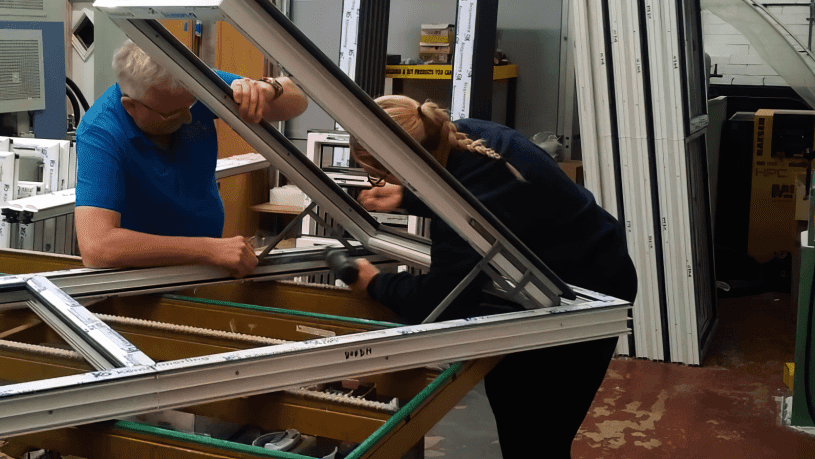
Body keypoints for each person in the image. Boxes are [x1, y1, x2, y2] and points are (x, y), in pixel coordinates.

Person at [347, 95, 638, 459]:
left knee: (536, 438)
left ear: (404, 162)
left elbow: (442, 300)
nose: (378, 181)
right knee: (515, 408)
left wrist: (375, 282)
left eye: (379, 173)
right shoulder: (466, 135)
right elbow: (499, 197)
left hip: (583, 296)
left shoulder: (462, 201)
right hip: (550, 278)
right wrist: (406, 197)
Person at [74, 40, 308, 276]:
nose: (189, 117)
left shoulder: (190, 87)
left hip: (206, 268)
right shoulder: (101, 132)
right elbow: (96, 247)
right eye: (173, 113)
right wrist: (207, 249)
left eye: (191, 104)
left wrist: (266, 89)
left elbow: (298, 99)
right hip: (141, 280)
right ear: (131, 106)